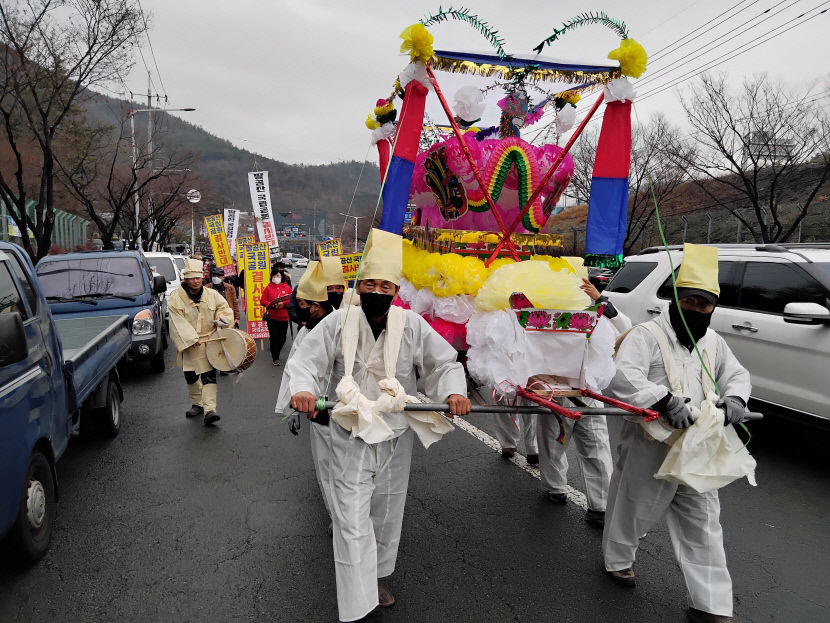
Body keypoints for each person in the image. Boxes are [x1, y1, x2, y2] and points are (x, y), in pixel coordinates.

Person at [287, 229, 470, 623]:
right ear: (359, 284)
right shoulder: (338, 321)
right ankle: (359, 604)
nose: (375, 289)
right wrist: (302, 389)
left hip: (395, 432)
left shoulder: (412, 324)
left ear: (395, 288)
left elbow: (444, 364)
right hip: (348, 433)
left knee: (387, 511)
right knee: (350, 517)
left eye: (384, 284)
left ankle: (378, 575)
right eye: (368, 283)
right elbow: (306, 360)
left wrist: (454, 392)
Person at [602, 244, 751, 623]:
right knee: (633, 507)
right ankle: (619, 560)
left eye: (705, 305)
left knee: (703, 521)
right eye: (690, 301)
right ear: (675, 299)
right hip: (649, 442)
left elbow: (735, 374)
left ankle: (712, 605)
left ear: (712, 308)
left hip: (697, 444)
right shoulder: (646, 335)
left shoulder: (713, 342)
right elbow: (621, 377)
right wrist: (664, 399)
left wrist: (734, 397)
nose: (697, 310)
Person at [535, 277, 631, 524]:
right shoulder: (542, 313)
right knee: (552, 442)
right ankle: (555, 487)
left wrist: (601, 300)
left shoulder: (597, 313)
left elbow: (625, 329)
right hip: (555, 389)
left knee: (597, 446)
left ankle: (600, 505)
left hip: (589, 392)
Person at [275, 262, 336, 524]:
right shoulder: (305, 332)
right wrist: (291, 408)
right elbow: (293, 370)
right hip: (320, 414)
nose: (302, 312)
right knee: (327, 469)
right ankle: (338, 517)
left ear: (318, 305)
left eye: (306, 306)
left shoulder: (346, 326)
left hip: (351, 412)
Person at [168, 258, 234, 426]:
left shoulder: (212, 295)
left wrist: (222, 319)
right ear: (185, 279)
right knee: (190, 375)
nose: (196, 281)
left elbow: (225, 309)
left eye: (198, 278)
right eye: (192, 278)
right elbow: (176, 320)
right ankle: (197, 403)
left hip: (209, 341)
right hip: (190, 344)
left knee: (209, 376)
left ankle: (210, 409)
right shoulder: (176, 298)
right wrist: (190, 338)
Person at [261, 265, 293, 366]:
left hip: (284, 317)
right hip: (272, 317)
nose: (276, 277)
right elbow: (262, 301)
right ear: (271, 277)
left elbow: (291, 300)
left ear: (282, 277)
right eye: (274, 276)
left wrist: (283, 304)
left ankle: (276, 351)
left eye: (278, 275)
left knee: (282, 338)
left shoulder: (287, 287)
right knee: (274, 337)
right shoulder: (268, 288)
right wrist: (271, 304)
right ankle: (275, 357)